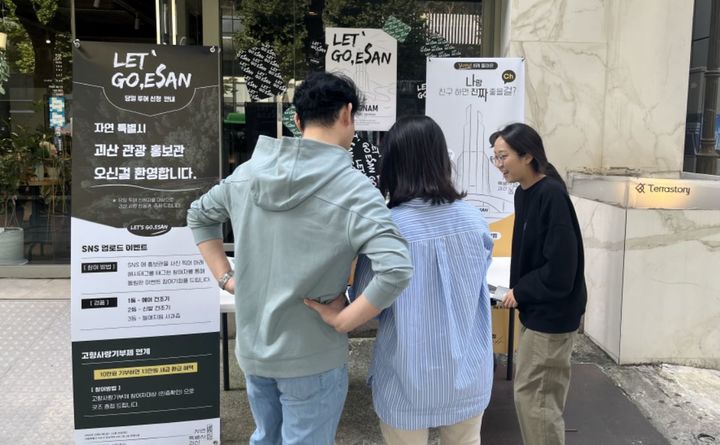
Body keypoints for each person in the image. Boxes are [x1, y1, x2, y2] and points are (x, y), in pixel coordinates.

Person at [186, 71, 413, 445]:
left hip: (255, 347)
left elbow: (198, 216)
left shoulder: (246, 175)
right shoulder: (354, 189)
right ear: (347, 114)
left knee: (266, 438)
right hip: (313, 353)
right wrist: (344, 320)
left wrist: (226, 278)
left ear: (296, 120)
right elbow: (397, 268)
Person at [311, 115, 495, 445]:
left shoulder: (387, 227)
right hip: (470, 372)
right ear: (442, 159)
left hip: (407, 376)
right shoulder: (474, 220)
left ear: (392, 164)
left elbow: (370, 302)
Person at [491, 123, 587, 445]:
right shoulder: (525, 193)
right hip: (537, 311)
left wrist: (521, 290)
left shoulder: (551, 195)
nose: (500, 164)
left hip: (552, 315)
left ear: (528, 155)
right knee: (536, 398)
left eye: (503, 156)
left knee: (537, 401)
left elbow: (561, 270)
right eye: (496, 158)